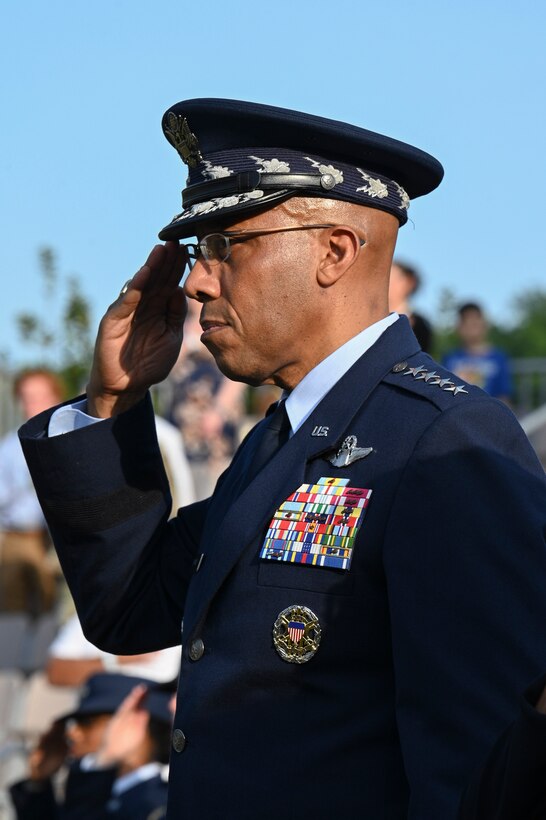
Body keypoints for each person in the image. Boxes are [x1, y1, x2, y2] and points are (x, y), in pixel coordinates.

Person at [18, 99, 546, 819]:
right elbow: (132, 610)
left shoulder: (444, 442)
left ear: (334, 251)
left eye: (226, 246)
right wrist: (109, 403)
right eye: (199, 252)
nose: (198, 281)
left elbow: (479, 769)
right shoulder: (283, 440)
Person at [9, 672, 172, 819]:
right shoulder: (94, 788)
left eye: (87, 722)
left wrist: (102, 762)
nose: (72, 733)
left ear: (138, 723)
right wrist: (38, 783)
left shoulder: (160, 805)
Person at [0, 368, 64, 614]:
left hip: (55, 537)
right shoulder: (9, 447)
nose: (32, 405)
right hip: (20, 538)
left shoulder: (66, 439)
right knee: (12, 613)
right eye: (26, 398)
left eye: (40, 397)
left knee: (53, 611)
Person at [46, 613, 181, 686]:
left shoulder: (185, 618)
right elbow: (56, 672)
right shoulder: (96, 612)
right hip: (99, 719)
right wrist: (117, 660)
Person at [442, 301, 512, 403]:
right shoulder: (450, 357)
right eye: (466, 323)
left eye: (475, 323)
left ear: (484, 325)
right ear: (459, 327)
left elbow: (504, 396)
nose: (471, 329)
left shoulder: (498, 358)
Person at [389, 259, 434, 352]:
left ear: (409, 282)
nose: (388, 283)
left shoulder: (420, 325)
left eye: (392, 278)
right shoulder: (369, 320)